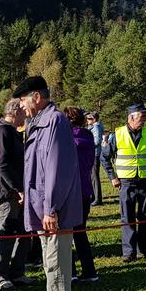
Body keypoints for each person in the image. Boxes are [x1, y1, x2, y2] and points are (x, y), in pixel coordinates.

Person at [13, 75, 82, 291]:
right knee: (51, 264)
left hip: (53, 211)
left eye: (23, 100)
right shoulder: (39, 123)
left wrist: (50, 208)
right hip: (43, 208)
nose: (21, 106)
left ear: (37, 97)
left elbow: (56, 169)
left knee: (57, 265)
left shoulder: (54, 122)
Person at [102, 103, 146, 262]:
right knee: (127, 218)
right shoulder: (118, 134)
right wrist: (113, 177)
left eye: (145, 116)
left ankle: (142, 250)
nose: (144, 119)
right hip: (126, 183)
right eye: (142, 116)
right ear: (131, 118)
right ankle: (128, 252)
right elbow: (104, 157)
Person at [0, 99, 32, 289]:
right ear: (15, 112)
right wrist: (18, 188)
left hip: (17, 191)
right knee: (6, 234)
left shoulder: (11, 131)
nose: (26, 115)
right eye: (23, 111)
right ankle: (1, 275)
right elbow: (1, 165)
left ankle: (18, 273)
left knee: (24, 233)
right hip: (6, 193)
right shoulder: (1, 131)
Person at [65, 106, 98, 281]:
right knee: (80, 231)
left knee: (65, 233)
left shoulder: (66, 139)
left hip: (69, 191)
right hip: (85, 189)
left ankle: (70, 272)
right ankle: (89, 271)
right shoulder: (89, 136)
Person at [86, 111, 104, 206]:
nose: (87, 120)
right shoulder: (94, 127)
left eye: (89, 119)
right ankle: (94, 197)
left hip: (95, 154)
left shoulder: (96, 127)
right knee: (93, 176)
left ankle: (97, 198)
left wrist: (87, 144)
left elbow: (97, 141)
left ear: (94, 119)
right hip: (94, 153)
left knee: (95, 177)